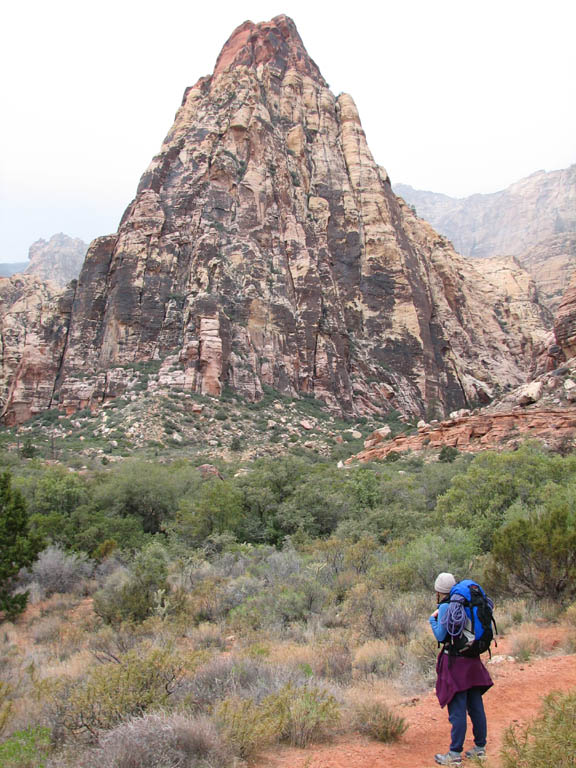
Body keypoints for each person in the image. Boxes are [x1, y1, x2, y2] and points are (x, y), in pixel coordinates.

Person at [429, 572, 493, 765]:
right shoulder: (469, 602)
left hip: (456, 663)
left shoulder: (448, 606)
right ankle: (480, 748)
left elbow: (441, 636)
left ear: (440, 592)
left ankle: (454, 754)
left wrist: (432, 619)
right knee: (475, 705)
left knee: (457, 709)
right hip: (472, 659)